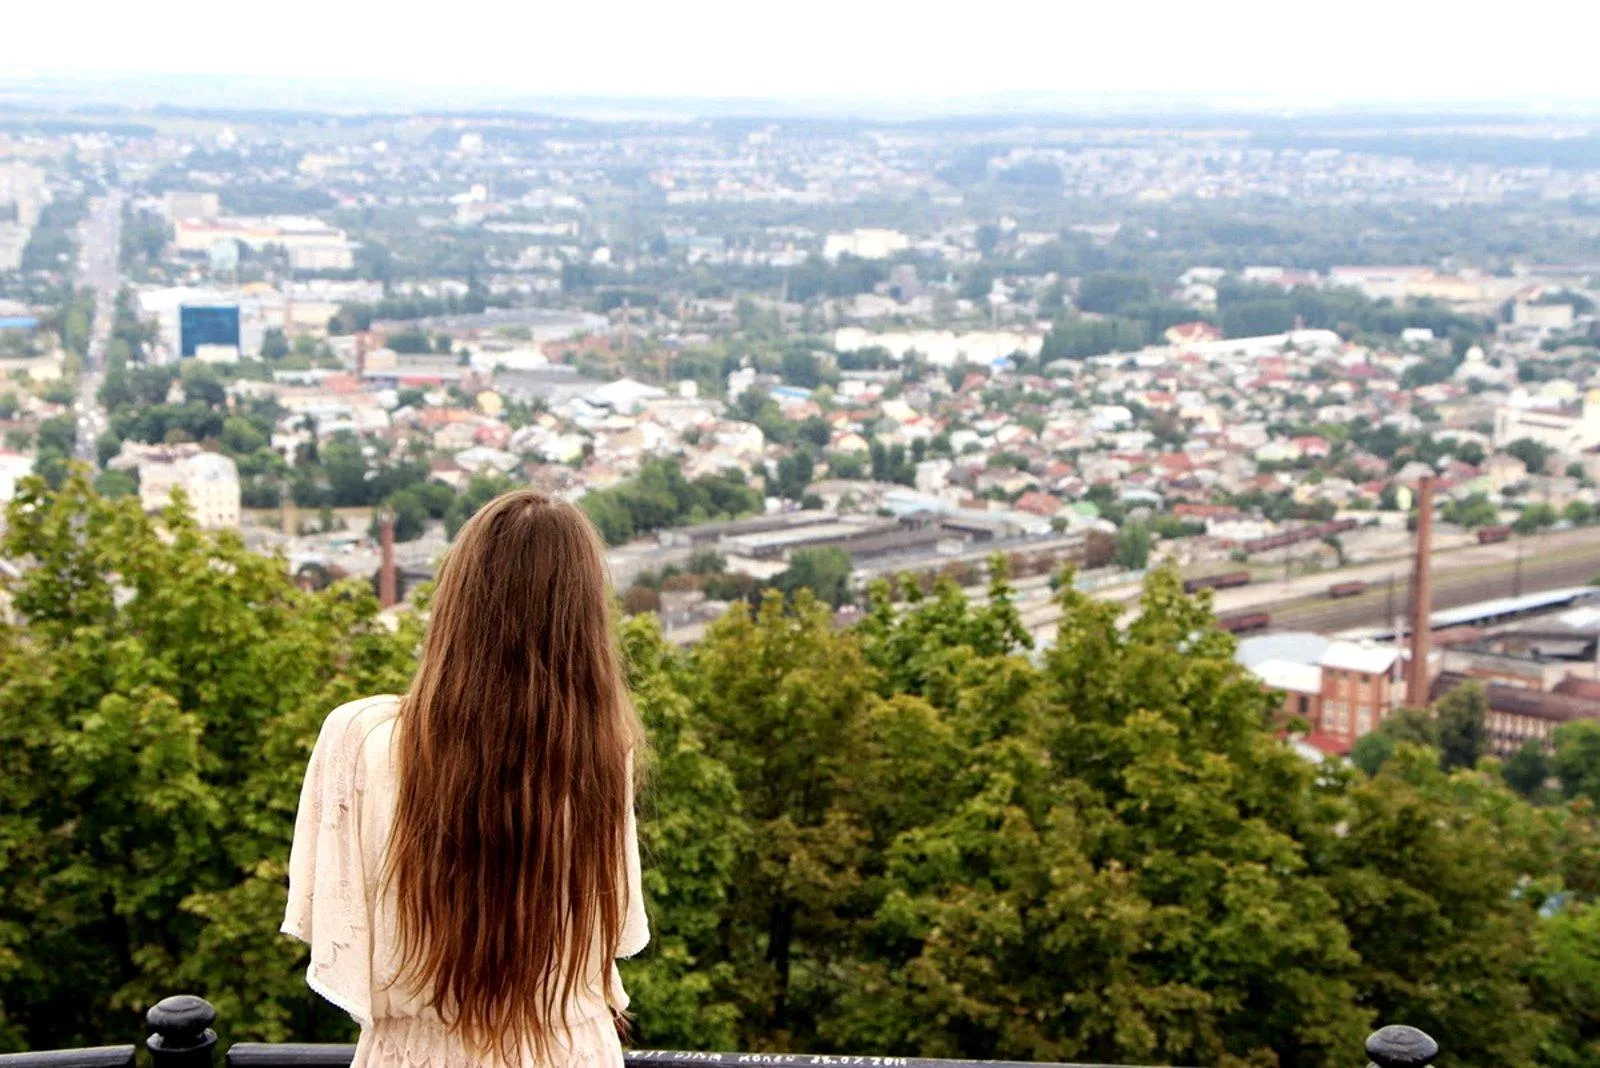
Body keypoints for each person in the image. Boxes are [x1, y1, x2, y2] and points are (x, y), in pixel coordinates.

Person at [283, 490, 649, 1068]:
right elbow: (613, 939)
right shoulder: (603, 751)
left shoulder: (359, 740)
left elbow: (328, 926)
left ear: (457, 599)